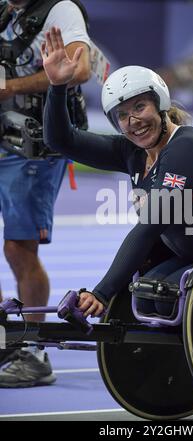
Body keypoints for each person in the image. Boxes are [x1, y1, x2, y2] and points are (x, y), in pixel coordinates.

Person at [41, 27, 193, 321]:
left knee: (164, 300)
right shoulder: (131, 151)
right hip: (192, 256)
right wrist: (56, 86)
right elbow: (61, 140)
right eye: (123, 115)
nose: (133, 122)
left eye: (140, 107)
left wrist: (102, 292)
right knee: (146, 295)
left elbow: (152, 222)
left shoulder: (189, 146)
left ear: (160, 103)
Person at [0, 0, 91, 388]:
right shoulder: (7, 10)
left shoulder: (61, 10)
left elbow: (80, 69)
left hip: (36, 147)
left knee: (20, 247)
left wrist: (10, 88)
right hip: (6, 138)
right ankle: (9, 335)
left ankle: (34, 352)